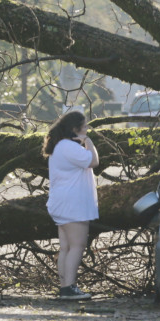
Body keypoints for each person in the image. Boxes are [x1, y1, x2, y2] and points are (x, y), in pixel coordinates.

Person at [44, 110, 99, 300]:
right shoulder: (68, 147)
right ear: (75, 129)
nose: (87, 130)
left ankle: (65, 286)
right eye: (84, 127)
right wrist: (88, 142)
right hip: (72, 205)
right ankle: (69, 287)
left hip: (63, 203)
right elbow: (94, 161)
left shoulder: (61, 146)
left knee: (66, 247)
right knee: (77, 245)